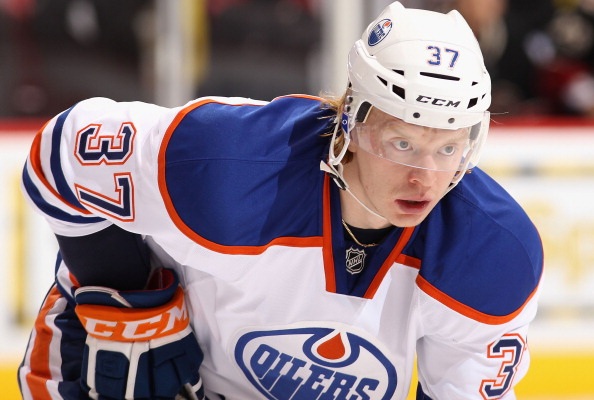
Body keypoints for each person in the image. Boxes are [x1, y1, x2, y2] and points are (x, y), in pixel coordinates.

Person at [18, 2, 543, 399]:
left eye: (448, 149)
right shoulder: (229, 165)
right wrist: (126, 295)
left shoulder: (493, 255)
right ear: (351, 123)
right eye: (401, 143)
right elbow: (59, 156)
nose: (426, 179)